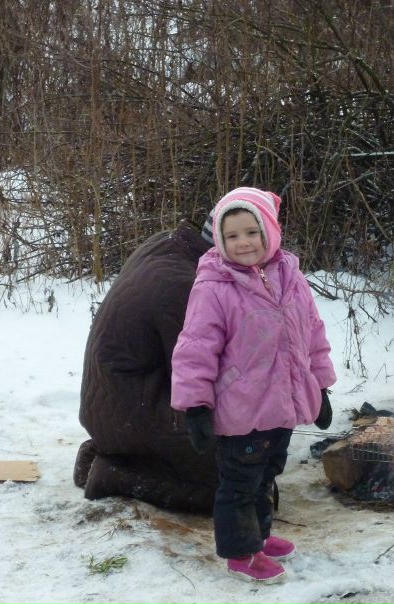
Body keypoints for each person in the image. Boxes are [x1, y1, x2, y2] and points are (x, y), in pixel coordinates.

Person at [170, 186, 336, 583]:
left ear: (270, 234)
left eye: (251, 232)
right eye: (232, 236)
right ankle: (240, 553)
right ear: (220, 241)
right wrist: (196, 405)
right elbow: (195, 348)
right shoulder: (214, 286)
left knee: (266, 476)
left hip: (282, 405)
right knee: (240, 483)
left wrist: (322, 387)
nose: (242, 243)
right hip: (240, 409)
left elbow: (313, 334)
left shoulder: (291, 279)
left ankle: (258, 536)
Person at [74, 212, 220, 512]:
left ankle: (113, 454)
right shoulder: (186, 285)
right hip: (131, 411)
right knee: (240, 483)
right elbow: (202, 374)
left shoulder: (168, 244)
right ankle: (115, 476)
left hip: (113, 408)